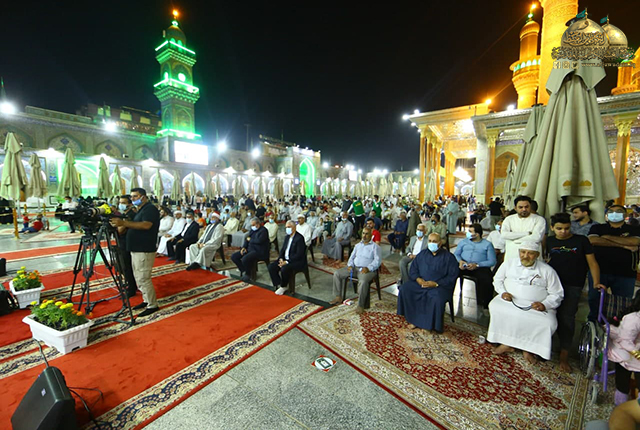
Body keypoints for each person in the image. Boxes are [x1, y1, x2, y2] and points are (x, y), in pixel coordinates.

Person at [487, 242, 564, 363]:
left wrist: (545, 304)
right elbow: (497, 280)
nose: (525, 256)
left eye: (530, 253)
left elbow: (557, 293)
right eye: (523, 252)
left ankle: (528, 349)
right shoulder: (509, 263)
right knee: (496, 307)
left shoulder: (547, 270)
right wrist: (502, 293)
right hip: (509, 300)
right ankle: (506, 344)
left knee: (548, 322)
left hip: (535, 305)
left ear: (537, 255)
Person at [546, 212, 603, 372]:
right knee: (547, 314)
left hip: (573, 285)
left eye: (566, 228)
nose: (563, 231)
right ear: (552, 228)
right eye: (559, 228)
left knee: (567, 318)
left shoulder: (581, 240)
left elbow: (592, 263)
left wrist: (596, 282)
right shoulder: (549, 241)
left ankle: (564, 354)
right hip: (550, 285)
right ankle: (544, 347)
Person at [110, 188, 160, 317]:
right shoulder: (140, 210)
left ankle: (152, 305)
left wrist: (124, 223)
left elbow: (146, 225)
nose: (132, 199)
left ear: (143, 197)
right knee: (138, 277)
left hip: (144, 248)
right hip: (136, 248)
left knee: (143, 277)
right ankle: (146, 300)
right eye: (131, 197)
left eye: (135, 196)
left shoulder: (150, 209)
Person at [397, 233, 459, 333]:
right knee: (405, 289)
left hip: (439, 286)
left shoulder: (449, 257)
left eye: (434, 241)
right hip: (421, 283)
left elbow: (452, 276)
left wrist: (436, 283)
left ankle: (428, 325)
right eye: (429, 241)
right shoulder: (422, 254)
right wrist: (418, 279)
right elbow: (413, 269)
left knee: (435, 297)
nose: (431, 243)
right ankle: (414, 320)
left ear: (440, 243)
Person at [588, 205, 640, 321]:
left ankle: (618, 326)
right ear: (606, 215)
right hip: (599, 271)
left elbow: (635, 241)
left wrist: (606, 238)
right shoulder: (598, 228)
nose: (614, 214)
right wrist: (624, 245)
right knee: (595, 300)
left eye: (618, 211)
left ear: (625, 215)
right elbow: (593, 240)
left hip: (625, 273)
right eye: (611, 211)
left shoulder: (634, 229)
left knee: (623, 304)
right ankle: (593, 324)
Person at [329, 227, 381, 314]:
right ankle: (338, 296)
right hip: (355, 268)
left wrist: (368, 268)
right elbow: (351, 257)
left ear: (371, 235)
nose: (364, 236)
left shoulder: (375, 247)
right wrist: (350, 265)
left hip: (367, 270)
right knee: (337, 273)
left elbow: (377, 261)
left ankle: (361, 305)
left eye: (366, 234)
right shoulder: (358, 245)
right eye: (363, 233)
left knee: (363, 282)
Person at [454, 223, 496, 311]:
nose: (468, 233)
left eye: (470, 231)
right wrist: (460, 261)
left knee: (487, 279)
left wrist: (477, 265)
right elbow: (456, 254)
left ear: (477, 234)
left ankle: (485, 304)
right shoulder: (464, 242)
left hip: (479, 268)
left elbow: (492, 261)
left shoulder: (487, 244)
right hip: (463, 266)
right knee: (450, 273)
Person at [607, 294, 640, 406]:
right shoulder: (634, 319)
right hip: (622, 344)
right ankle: (621, 400)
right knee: (626, 362)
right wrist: (638, 354)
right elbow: (626, 341)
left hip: (635, 344)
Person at [501, 195, 546, 260]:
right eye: (520, 207)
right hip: (512, 256)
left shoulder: (539, 219)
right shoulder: (509, 219)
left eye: (526, 207)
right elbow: (504, 235)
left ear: (530, 207)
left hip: (532, 258)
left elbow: (536, 238)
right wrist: (526, 233)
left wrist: (514, 241)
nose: (524, 209)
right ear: (515, 208)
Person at [268, 220, 307, 295]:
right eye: (286, 227)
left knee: (284, 268)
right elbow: (283, 250)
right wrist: (281, 258)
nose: (287, 229)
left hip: (296, 261)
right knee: (271, 267)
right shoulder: (287, 237)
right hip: (285, 259)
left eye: (289, 227)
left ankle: (284, 286)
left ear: (294, 227)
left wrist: (286, 262)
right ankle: (279, 283)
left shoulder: (299, 238)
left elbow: (299, 254)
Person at [231, 217, 270, 282]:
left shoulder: (263, 231)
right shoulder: (252, 230)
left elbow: (259, 241)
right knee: (234, 257)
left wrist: (250, 240)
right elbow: (247, 239)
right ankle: (244, 270)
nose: (252, 226)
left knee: (245, 259)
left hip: (258, 251)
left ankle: (248, 274)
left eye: (253, 225)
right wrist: (244, 247)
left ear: (258, 224)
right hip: (249, 249)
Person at [115, 195, 138, 297]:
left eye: (123, 203)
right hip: (123, 242)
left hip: (127, 242)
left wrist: (117, 225)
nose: (121, 205)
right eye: (120, 203)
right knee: (122, 265)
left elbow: (120, 230)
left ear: (129, 204)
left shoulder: (130, 215)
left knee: (126, 266)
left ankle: (132, 288)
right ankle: (130, 283)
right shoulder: (124, 214)